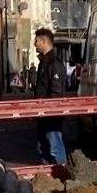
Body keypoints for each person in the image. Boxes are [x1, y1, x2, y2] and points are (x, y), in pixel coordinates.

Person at [31, 27, 77, 165]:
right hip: (43, 114)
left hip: (51, 115)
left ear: (44, 42)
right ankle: (49, 181)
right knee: (43, 147)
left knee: (54, 148)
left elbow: (55, 92)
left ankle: (63, 176)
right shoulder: (44, 63)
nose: (34, 44)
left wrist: (50, 111)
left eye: (36, 41)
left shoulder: (54, 64)